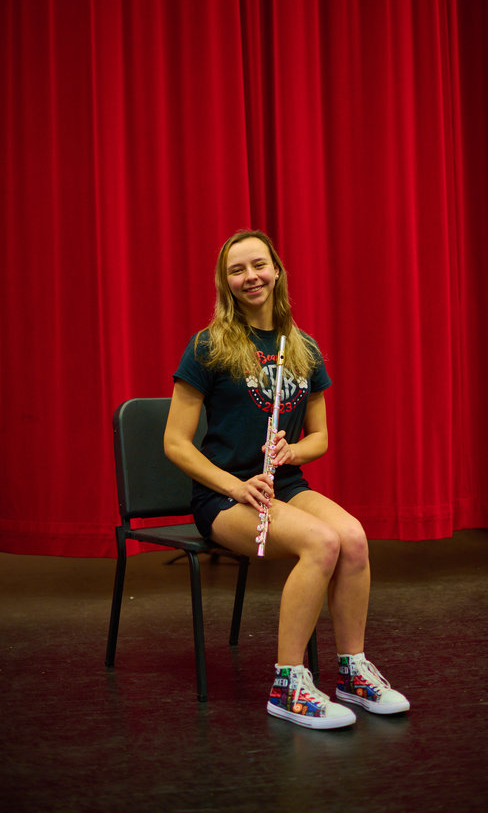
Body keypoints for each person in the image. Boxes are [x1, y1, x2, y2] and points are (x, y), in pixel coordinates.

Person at [164, 229, 409, 730]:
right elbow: (175, 443)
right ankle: (288, 684)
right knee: (321, 543)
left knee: (354, 539)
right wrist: (234, 487)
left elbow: (319, 438)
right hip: (224, 495)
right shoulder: (208, 346)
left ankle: (352, 672)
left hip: (285, 483)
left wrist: (292, 449)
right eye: (237, 270)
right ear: (225, 281)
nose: (250, 277)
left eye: (258, 265)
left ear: (276, 270)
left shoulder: (303, 348)